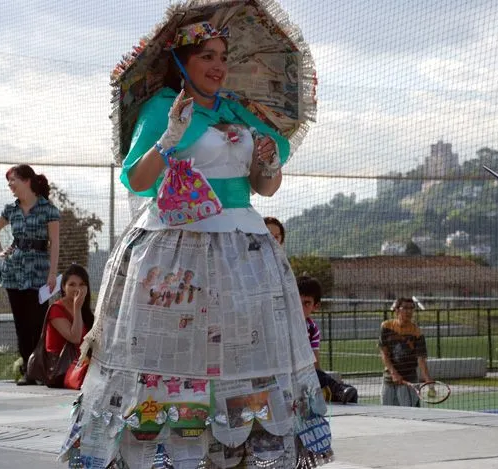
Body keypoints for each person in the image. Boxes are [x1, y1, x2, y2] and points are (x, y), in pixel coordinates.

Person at [67, 22, 330, 468]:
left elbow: (264, 189)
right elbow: (139, 179)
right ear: (181, 62)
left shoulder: (240, 111)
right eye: (207, 56)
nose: (218, 66)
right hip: (178, 245)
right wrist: (169, 140)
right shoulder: (164, 108)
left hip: (241, 248)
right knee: (170, 360)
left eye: (223, 57)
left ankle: (237, 453)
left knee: (241, 357)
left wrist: (267, 162)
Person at [0, 164, 60, 386]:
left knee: (38, 322)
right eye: (8, 181)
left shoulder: (49, 209)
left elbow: (55, 243)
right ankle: (28, 372)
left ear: (27, 180)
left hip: (39, 270)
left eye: (13, 180)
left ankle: (41, 369)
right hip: (14, 270)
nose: (10, 185)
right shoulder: (10, 209)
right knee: (21, 324)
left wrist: (52, 273)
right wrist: (0, 252)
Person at [297, 275, 358, 404]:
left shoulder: (312, 329)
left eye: (306, 303)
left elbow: (315, 362)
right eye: (297, 302)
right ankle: (338, 389)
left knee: (350, 394)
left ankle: (338, 390)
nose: (300, 308)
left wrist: (323, 380)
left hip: (303, 375)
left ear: (316, 306)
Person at [44, 264, 93, 388]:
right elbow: (75, 337)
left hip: (81, 364)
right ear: (63, 287)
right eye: (72, 284)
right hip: (61, 369)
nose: (77, 288)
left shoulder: (86, 311)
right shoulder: (56, 309)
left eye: (82, 284)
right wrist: (77, 308)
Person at [378, 297, 433, 407]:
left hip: (409, 380)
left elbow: (421, 359)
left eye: (412, 308)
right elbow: (384, 353)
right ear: (397, 310)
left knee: (409, 417)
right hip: (389, 380)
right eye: (406, 308)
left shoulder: (417, 332)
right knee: (386, 414)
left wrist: (428, 381)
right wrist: (394, 373)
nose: (409, 311)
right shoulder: (386, 326)